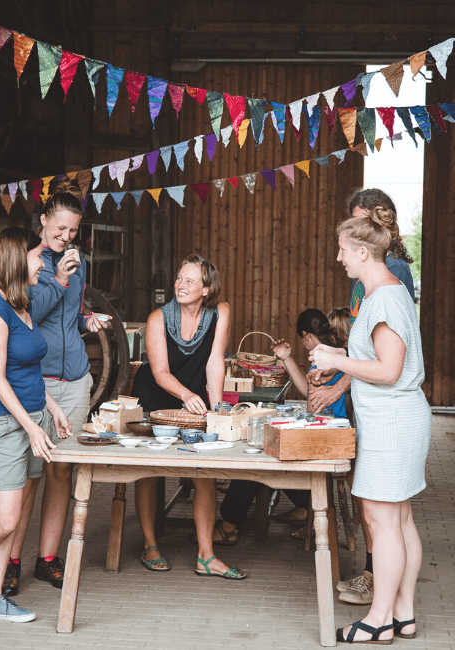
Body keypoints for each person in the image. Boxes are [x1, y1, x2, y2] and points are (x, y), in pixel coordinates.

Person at [310, 205, 431, 644]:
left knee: (383, 523)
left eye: (343, 250)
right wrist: (341, 365)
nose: (339, 257)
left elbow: (390, 370)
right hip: (400, 419)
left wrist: (335, 358)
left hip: (391, 422)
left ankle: (378, 619)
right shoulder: (392, 291)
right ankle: (403, 613)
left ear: (363, 252)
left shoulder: (381, 299)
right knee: (398, 520)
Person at [3, 179, 111, 595]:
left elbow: (71, 316)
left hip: (76, 379)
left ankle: (47, 558)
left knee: (61, 471)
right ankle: (10, 561)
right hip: (37, 380)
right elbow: (28, 313)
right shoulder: (28, 261)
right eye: (59, 228)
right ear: (43, 220)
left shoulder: (74, 262)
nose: (65, 237)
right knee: (29, 474)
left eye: (72, 231)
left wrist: (89, 322)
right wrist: (61, 281)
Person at [0, 228, 71, 622]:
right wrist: (30, 426)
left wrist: (52, 408)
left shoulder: (21, 303)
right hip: (1, 426)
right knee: (6, 520)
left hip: (31, 420)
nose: (42, 263)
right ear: (16, 259)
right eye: (37, 256)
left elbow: (25, 370)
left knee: (9, 513)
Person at [131, 254, 245, 579]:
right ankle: (150, 545)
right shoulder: (158, 318)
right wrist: (186, 396)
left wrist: (219, 405)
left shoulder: (220, 312)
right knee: (148, 469)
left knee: (203, 469)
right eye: (179, 279)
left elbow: (214, 362)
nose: (180, 285)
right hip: (157, 393)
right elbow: (160, 371)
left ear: (206, 288)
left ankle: (206, 556)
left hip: (194, 394)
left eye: (189, 281)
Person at [206, 308, 349, 543]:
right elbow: (308, 393)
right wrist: (287, 358)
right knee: (267, 450)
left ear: (307, 336)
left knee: (255, 462)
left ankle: (229, 524)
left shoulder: (323, 361)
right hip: (332, 431)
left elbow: (313, 406)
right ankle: (303, 505)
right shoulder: (342, 358)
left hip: (325, 438)